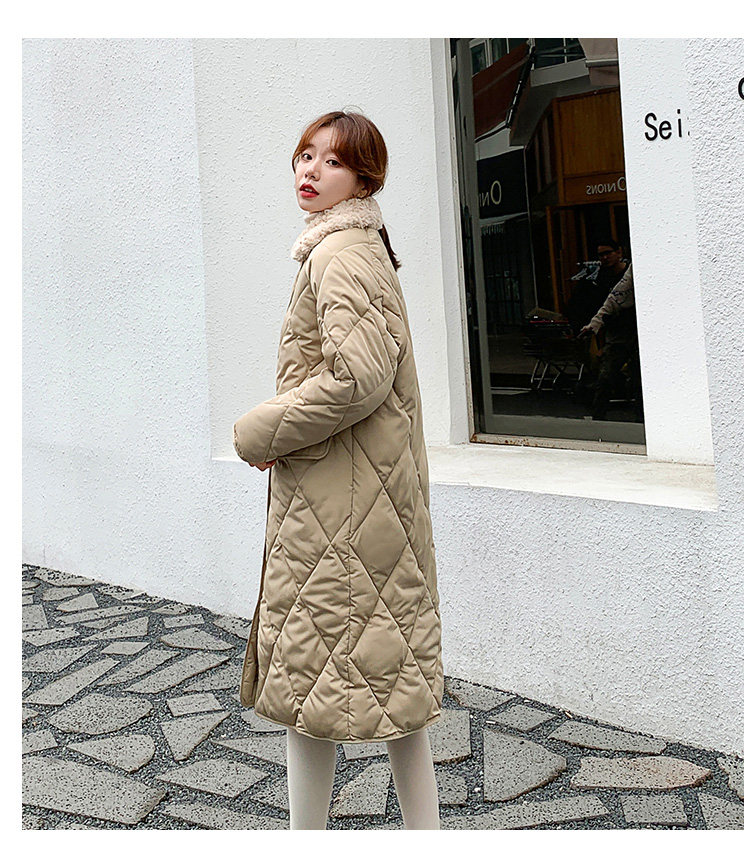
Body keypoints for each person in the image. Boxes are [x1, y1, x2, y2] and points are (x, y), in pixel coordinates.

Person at [232, 110, 444, 830]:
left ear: (363, 178)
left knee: (310, 686)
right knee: (392, 686)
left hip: (338, 509)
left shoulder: (337, 254)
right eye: (305, 155)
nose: (310, 170)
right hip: (366, 498)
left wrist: (264, 429)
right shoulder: (362, 245)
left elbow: (359, 376)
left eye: (332, 160)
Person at [577, 239, 643, 420]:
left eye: (608, 253)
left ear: (619, 252)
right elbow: (608, 303)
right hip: (616, 334)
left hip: (636, 332)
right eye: (601, 255)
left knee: (638, 378)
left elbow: (614, 299)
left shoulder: (632, 272)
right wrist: (595, 325)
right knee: (606, 377)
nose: (605, 258)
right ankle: (598, 417)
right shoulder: (600, 278)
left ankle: (641, 417)